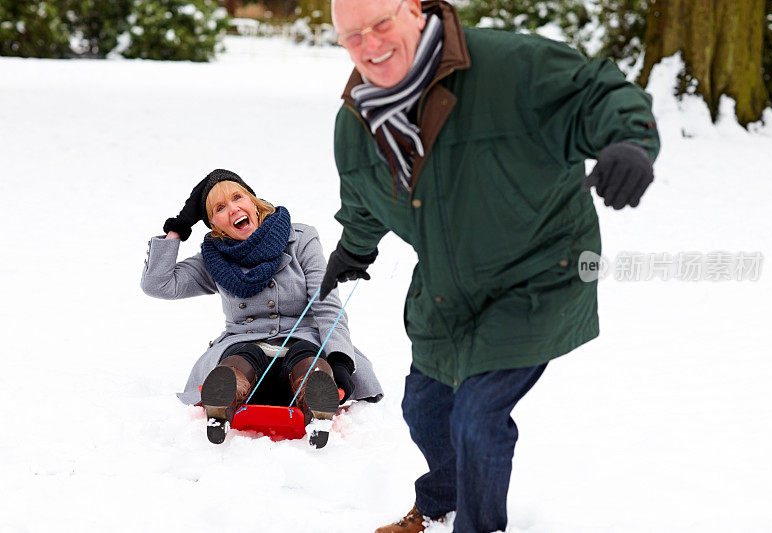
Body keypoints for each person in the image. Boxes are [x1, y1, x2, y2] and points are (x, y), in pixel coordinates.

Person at [321, 0, 659, 530]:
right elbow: (363, 199)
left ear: (414, 9)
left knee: (478, 417)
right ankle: (441, 504)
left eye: (381, 24)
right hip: (447, 290)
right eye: (351, 36)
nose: (369, 46)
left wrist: (628, 142)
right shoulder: (358, 123)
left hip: (540, 274)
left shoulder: (509, 66)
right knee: (425, 411)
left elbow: (598, 92)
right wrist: (354, 250)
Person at [141, 169, 383, 447]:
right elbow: (158, 284)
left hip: (302, 340)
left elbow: (326, 305)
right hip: (244, 345)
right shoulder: (214, 258)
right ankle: (225, 396)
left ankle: (317, 395)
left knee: (307, 357)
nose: (233, 209)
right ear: (213, 224)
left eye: (237, 197)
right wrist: (178, 227)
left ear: (253, 202)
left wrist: (340, 361)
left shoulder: (300, 238)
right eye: (220, 208)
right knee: (239, 358)